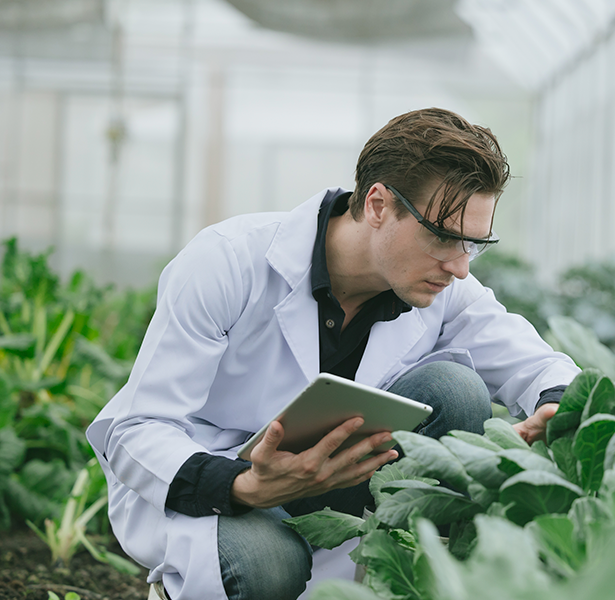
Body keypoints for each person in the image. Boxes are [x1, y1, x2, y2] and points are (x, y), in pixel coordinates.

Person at [87, 107, 580, 600]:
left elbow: (534, 362)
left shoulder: (440, 287)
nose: (459, 267)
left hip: (331, 483)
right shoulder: (229, 260)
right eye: (442, 237)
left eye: (473, 245)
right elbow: (135, 428)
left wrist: (554, 403)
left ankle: (387, 581)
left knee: (455, 391)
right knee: (266, 564)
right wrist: (242, 485)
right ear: (379, 204)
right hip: (213, 483)